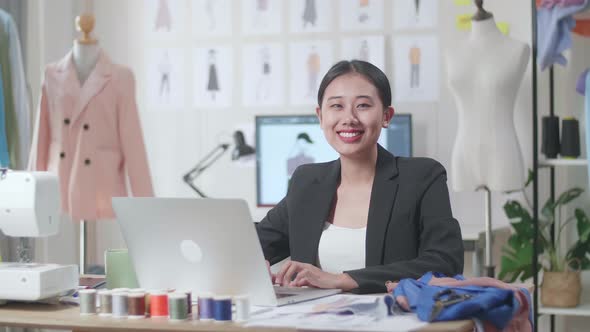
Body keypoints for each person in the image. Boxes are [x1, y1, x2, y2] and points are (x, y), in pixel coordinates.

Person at [256, 60, 464, 294]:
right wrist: (250, 261)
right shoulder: (307, 181)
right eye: (336, 106)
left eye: (363, 105)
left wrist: (340, 280)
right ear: (320, 116)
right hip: (312, 321)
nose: (349, 118)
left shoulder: (421, 177)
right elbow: (256, 242)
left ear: (386, 116)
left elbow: (445, 263)